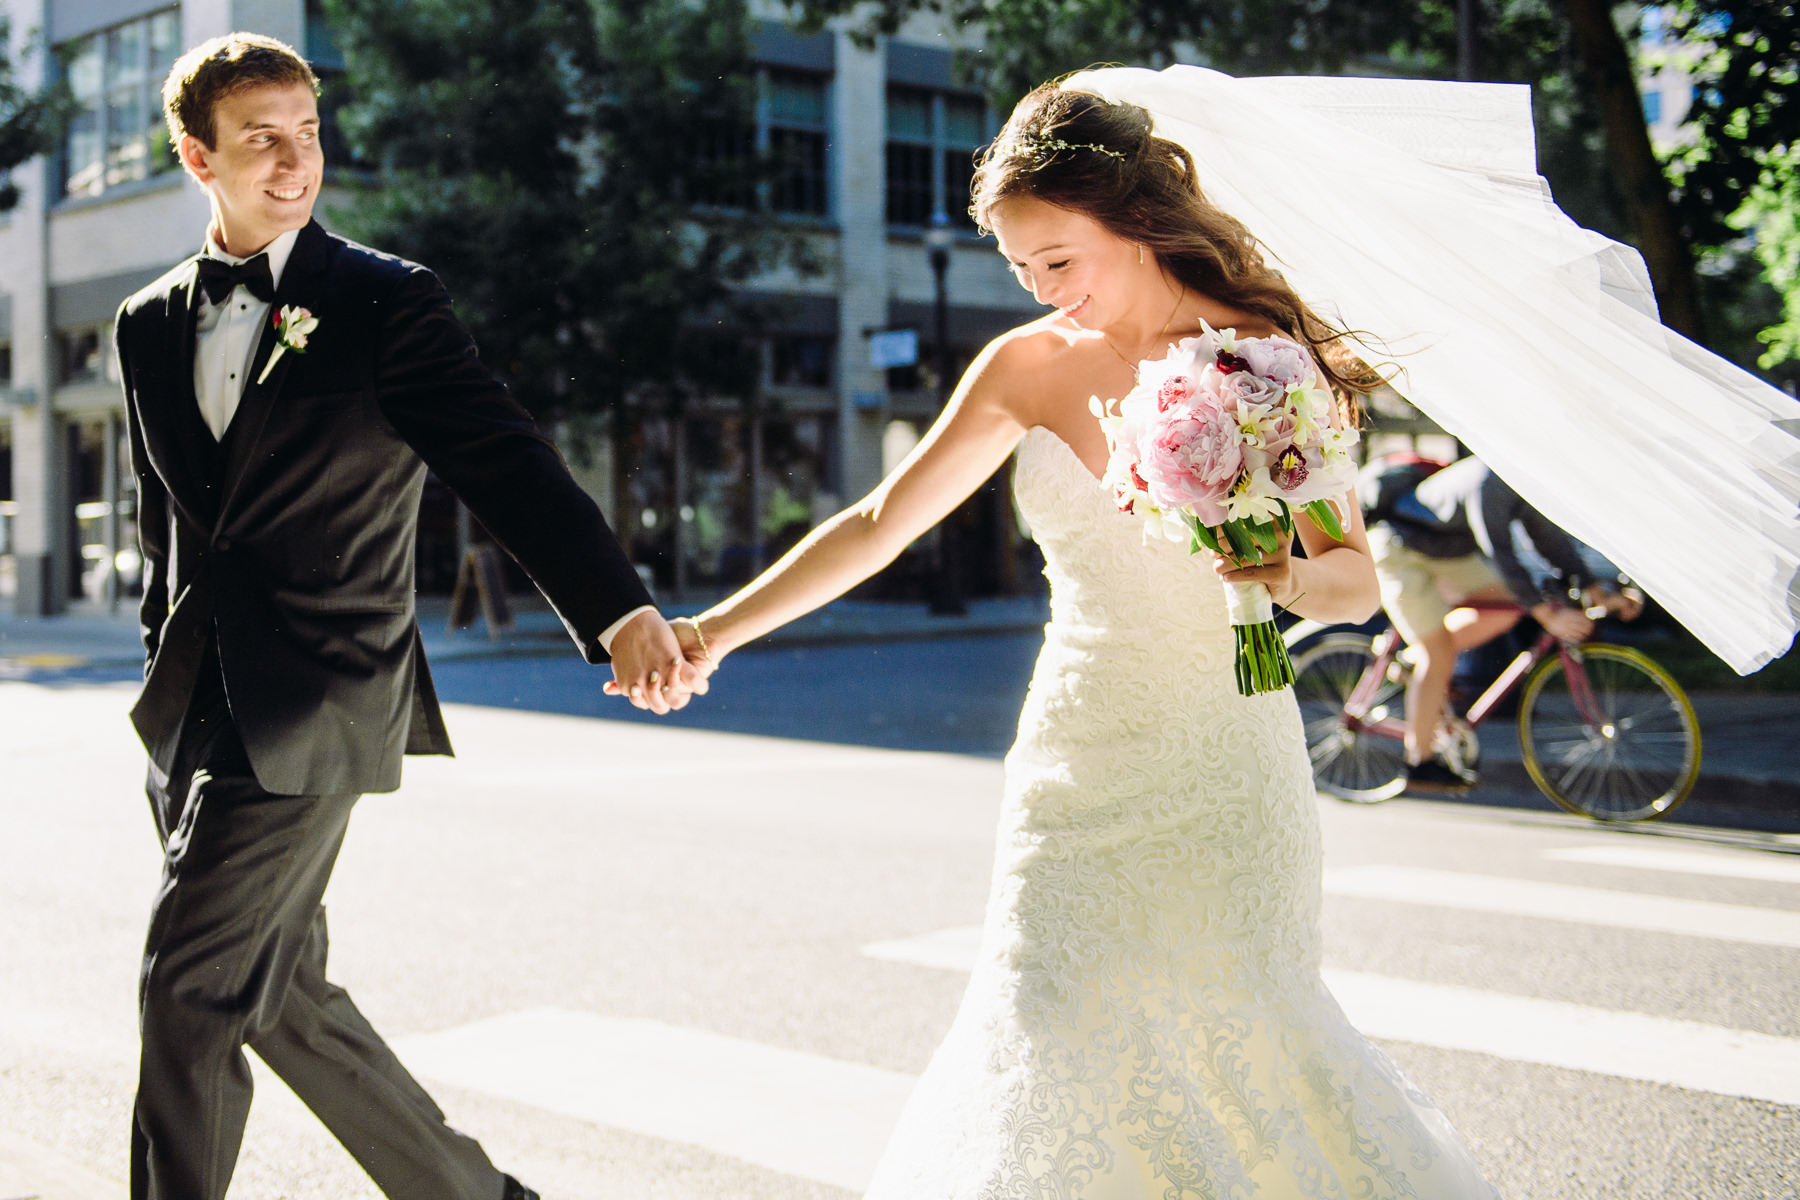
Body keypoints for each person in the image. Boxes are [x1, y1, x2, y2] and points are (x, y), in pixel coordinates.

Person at [637, 81, 1501, 1197]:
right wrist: (712, 630)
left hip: (1230, 760)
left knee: (1246, 1036)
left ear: (1133, 221)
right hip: (1077, 759)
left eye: (1058, 259)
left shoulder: (1263, 359)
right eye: (1021, 270)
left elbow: (1349, 589)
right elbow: (877, 525)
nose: (1045, 291)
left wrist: (1272, 567)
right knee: (1042, 1018)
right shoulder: (1025, 367)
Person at [113, 33, 698, 1200]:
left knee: (187, 987)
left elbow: (506, 462)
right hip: (194, 714)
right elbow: (165, 530)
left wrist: (617, 606)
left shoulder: (382, 303)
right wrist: (158, 691)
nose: (293, 164)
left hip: (322, 694)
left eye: (307, 134)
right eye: (260, 141)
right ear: (197, 158)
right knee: (275, 1000)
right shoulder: (147, 322)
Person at [1361, 453, 1643, 791]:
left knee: (1510, 606)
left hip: (1445, 552)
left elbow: (1550, 541)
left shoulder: (1523, 480)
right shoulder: (1489, 480)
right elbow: (1500, 554)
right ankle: (1419, 762)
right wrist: (1548, 615)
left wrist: (1595, 590)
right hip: (1398, 549)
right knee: (1439, 654)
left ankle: (1413, 661)